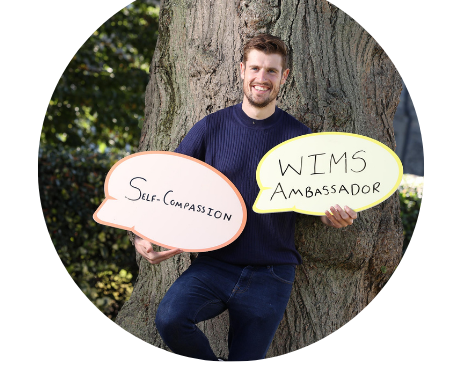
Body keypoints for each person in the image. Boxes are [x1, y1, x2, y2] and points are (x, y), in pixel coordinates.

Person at [133, 34, 357, 361]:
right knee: (170, 319)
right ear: (242, 70)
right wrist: (141, 234)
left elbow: (316, 202)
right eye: (255, 68)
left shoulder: (300, 140)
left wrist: (332, 215)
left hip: (272, 274)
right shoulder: (210, 128)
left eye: (271, 71)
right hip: (213, 265)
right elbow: (167, 187)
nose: (261, 78)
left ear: (284, 76)